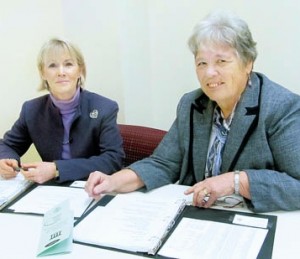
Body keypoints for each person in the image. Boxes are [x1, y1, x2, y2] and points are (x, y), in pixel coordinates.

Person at [85, 10, 300, 213]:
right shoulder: (192, 104)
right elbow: (163, 163)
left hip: (253, 221)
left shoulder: (280, 107)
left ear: (248, 63)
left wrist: (237, 181)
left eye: (221, 61)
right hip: (196, 217)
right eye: (201, 63)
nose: (209, 72)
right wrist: (113, 181)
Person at [0, 38, 124, 184]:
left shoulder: (105, 107)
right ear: (43, 73)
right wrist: (6, 159)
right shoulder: (32, 110)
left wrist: (56, 169)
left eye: (68, 64)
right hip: (51, 192)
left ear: (80, 70)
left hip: (94, 187)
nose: (61, 72)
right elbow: (7, 145)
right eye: (52, 65)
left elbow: (113, 159)